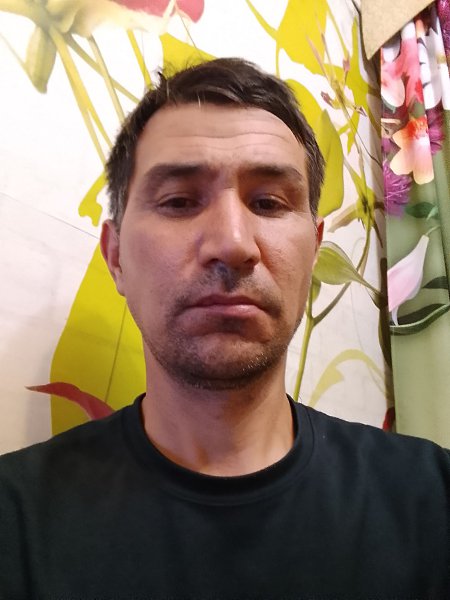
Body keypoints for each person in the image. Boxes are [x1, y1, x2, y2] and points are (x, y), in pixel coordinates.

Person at [0, 57, 449, 599]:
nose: (232, 244)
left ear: (313, 251)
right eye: (179, 201)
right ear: (115, 257)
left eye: (268, 202)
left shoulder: (431, 500)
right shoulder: (15, 523)